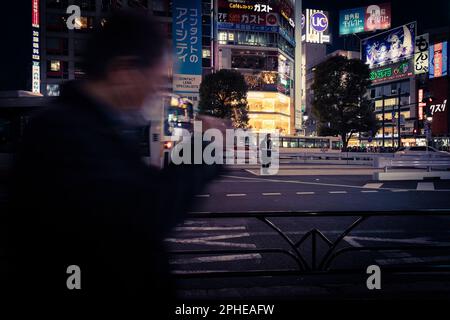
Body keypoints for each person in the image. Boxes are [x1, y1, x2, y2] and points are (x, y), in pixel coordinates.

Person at [5, 11, 224, 307]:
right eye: (158, 80)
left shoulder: (98, 125)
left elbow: (143, 196)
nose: (160, 92)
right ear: (124, 71)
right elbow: (141, 217)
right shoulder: (63, 132)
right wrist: (203, 150)